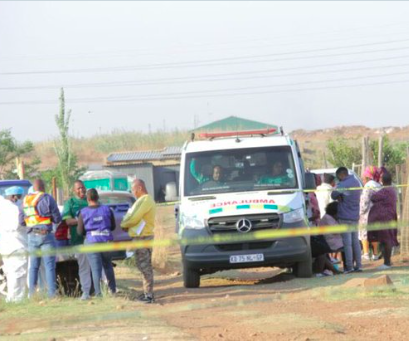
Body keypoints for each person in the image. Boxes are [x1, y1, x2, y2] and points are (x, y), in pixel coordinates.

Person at [21, 179, 61, 298]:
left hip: (31, 235)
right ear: (43, 186)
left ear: (33, 187)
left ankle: (32, 295)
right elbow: (57, 218)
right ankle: (51, 294)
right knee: (49, 266)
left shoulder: (26, 200)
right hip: (46, 235)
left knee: (33, 266)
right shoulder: (47, 198)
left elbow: (21, 221)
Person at [121, 179, 156, 303]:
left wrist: (124, 224)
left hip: (143, 238)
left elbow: (135, 217)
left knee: (145, 266)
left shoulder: (145, 200)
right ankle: (147, 292)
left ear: (140, 188)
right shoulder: (141, 201)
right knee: (142, 266)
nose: (132, 192)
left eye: (133, 189)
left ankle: (149, 296)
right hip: (140, 237)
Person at [77, 189, 116, 297]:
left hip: (92, 242)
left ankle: (98, 294)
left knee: (95, 269)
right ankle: (112, 290)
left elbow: (80, 231)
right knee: (108, 265)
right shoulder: (107, 209)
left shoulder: (83, 212)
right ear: (97, 197)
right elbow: (113, 226)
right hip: (106, 241)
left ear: (88, 199)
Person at [61, 180, 92, 300]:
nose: (81, 190)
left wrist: (80, 220)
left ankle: (103, 290)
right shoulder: (70, 203)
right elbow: (68, 221)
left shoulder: (89, 200)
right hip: (78, 240)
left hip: (93, 240)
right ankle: (86, 293)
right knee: (84, 267)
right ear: (74, 190)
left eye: (83, 188)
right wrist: (86, 220)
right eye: (78, 188)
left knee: (96, 266)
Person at [331, 167, 362, 273]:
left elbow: (333, 195)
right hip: (355, 216)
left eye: (338, 177)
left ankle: (349, 267)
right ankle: (359, 265)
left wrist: (339, 195)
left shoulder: (342, 184)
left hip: (344, 217)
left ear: (341, 175)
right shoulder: (356, 181)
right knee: (356, 242)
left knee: (347, 243)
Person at [0, 187, 28, 302]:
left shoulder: (2, 205)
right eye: (20, 197)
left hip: (6, 246)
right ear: (14, 197)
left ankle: (12, 298)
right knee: (18, 274)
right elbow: (20, 225)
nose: (21, 200)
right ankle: (17, 299)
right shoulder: (13, 208)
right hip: (17, 245)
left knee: (10, 273)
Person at [368, 171, 398, 270]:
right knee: (386, 240)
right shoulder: (392, 190)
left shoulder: (385, 191)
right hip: (389, 217)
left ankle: (387, 262)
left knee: (386, 241)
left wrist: (372, 191)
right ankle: (387, 261)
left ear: (382, 180)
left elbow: (373, 197)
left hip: (385, 219)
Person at [313, 202, 344, 276]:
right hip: (328, 241)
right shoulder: (327, 218)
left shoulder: (329, 217)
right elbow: (336, 230)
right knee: (349, 246)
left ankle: (335, 270)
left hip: (330, 240)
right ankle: (340, 269)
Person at [359, 166, 382, 261]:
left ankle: (366, 253)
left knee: (364, 233)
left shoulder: (368, 186)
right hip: (378, 213)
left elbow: (364, 201)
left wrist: (360, 212)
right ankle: (376, 253)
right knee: (374, 233)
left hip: (367, 214)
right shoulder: (378, 185)